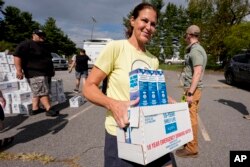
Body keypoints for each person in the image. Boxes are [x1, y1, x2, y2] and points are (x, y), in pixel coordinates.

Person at [83, 2, 174, 167]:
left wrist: (170, 102)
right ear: (133, 21)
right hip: (121, 134)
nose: (148, 27)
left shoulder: (153, 60)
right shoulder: (116, 48)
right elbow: (88, 87)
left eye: (153, 24)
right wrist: (113, 104)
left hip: (150, 132)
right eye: (144, 20)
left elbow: (149, 93)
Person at [175, 25, 207, 158]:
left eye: (185, 36)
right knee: (187, 117)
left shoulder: (195, 51)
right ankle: (188, 143)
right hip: (191, 89)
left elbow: (198, 72)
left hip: (192, 90)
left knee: (190, 118)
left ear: (189, 35)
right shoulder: (197, 49)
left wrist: (190, 93)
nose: (185, 38)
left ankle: (192, 148)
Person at [13, 29, 58, 117]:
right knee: (42, 91)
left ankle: (35, 109)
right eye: (39, 35)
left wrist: (52, 69)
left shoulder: (44, 46)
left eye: (43, 35)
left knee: (37, 91)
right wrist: (19, 70)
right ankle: (49, 109)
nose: (42, 37)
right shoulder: (26, 44)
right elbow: (17, 56)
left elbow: (49, 59)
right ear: (33, 35)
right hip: (35, 72)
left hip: (45, 73)